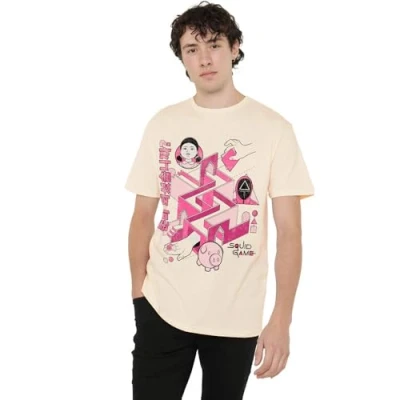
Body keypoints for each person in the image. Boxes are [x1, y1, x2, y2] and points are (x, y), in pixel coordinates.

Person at [124, 2, 314, 399]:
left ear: (235, 48)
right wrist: (139, 293)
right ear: (182, 59)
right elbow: (143, 215)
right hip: (162, 307)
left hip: (237, 316)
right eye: (192, 49)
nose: (205, 59)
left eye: (214, 45)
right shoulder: (163, 123)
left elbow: (290, 232)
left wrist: (281, 318)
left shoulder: (274, 128)